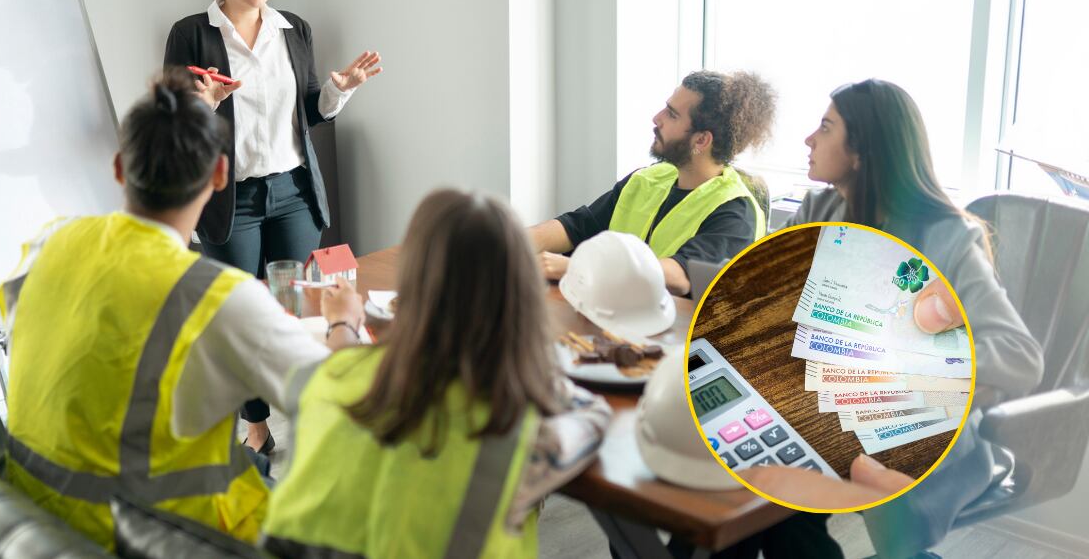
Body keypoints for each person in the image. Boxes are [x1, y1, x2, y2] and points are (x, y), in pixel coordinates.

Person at [0, 70, 366, 549]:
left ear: (119, 168)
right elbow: (340, 397)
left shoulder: (51, 242)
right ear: (219, 174)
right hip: (158, 537)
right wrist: (344, 321)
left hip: (39, 524)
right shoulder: (217, 297)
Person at [761, 78, 1045, 557]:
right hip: (821, 408)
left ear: (862, 151)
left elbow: (1020, 358)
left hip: (912, 428)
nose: (809, 139)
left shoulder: (947, 237)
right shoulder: (820, 208)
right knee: (749, 495)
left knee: (767, 498)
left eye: (826, 128)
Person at [260, 189, 612, 558]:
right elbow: (594, 418)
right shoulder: (519, 427)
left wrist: (344, 323)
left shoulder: (326, 377)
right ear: (520, 297)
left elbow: (339, 365)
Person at [163, 0, 382, 454]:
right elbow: (172, 120)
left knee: (303, 311)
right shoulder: (191, 34)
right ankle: (255, 423)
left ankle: (316, 419)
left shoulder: (294, 29)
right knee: (240, 319)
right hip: (229, 201)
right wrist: (203, 106)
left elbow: (310, 112)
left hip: (292, 193)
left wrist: (340, 89)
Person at [530, 70, 776, 296]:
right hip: (617, 316)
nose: (657, 118)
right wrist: (513, 241)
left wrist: (580, 268)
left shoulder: (735, 212)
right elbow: (578, 226)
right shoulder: (649, 179)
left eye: (672, 114)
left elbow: (680, 275)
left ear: (701, 140)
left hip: (677, 336)